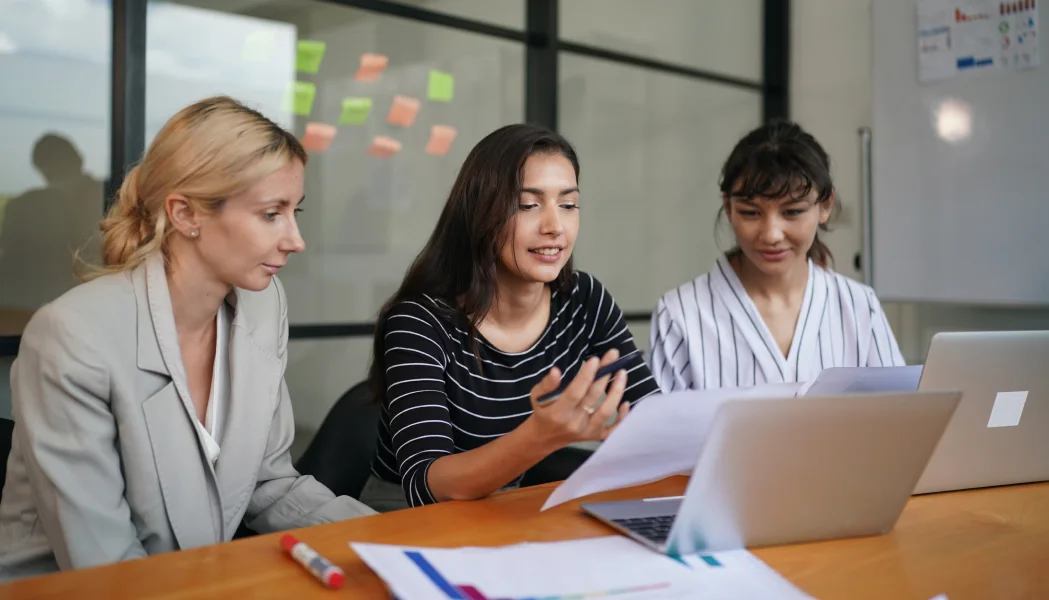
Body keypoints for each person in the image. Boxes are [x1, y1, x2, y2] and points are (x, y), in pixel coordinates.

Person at [0, 96, 374, 580]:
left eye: (294, 210)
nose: (295, 239)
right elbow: (104, 568)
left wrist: (397, 540)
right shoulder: (74, 336)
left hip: (193, 580)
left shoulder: (263, 304)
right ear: (185, 214)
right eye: (270, 214)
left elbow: (269, 484)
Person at [361, 124, 659, 511]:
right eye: (528, 205)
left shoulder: (583, 300)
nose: (555, 227)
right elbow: (426, 485)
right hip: (400, 515)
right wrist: (540, 435)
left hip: (503, 507)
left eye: (568, 204)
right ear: (481, 213)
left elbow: (650, 412)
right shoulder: (420, 321)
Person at [649, 119, 904, 393]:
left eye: (792, 212)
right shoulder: (680, 314)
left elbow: (903, 416)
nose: (771, 234)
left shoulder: (858, 305)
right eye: (750, 212)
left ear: (825, 206)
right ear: (728, 206)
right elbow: (654, 431)